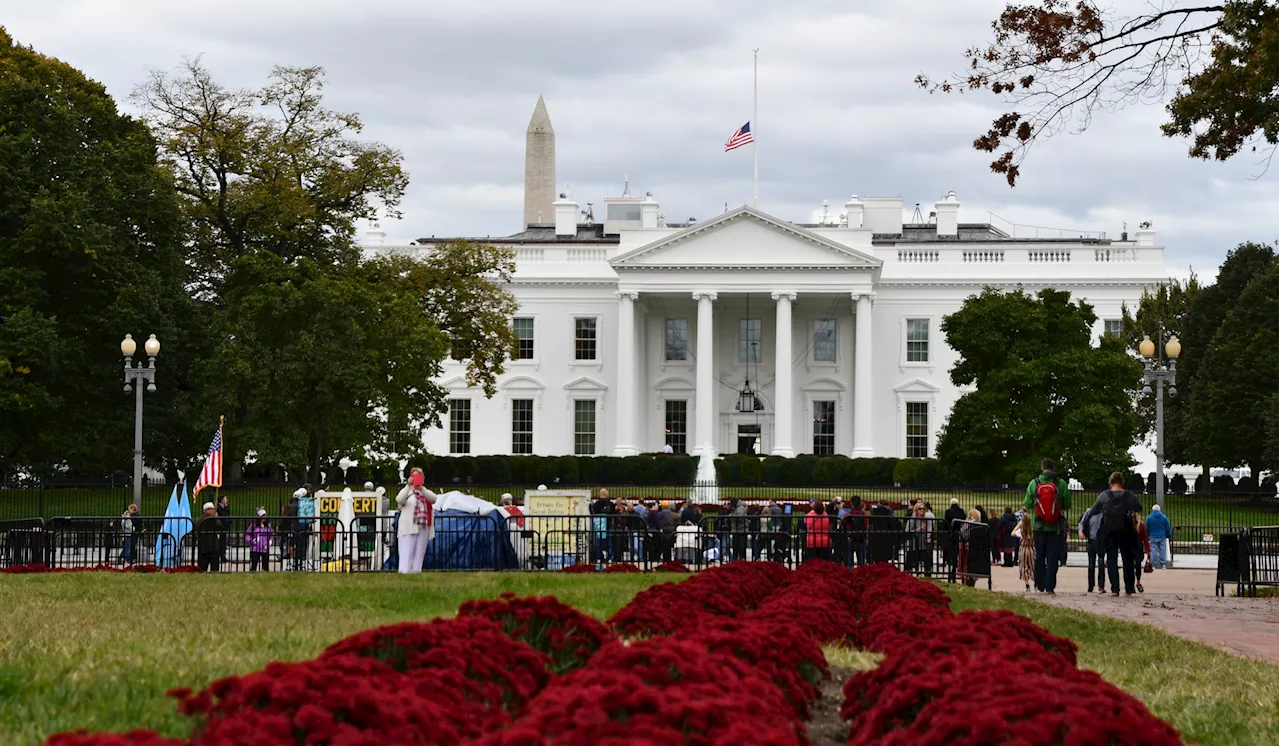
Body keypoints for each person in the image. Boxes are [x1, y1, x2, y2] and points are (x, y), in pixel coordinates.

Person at [1079, 471, 1143, 596]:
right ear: (1122, 482)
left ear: (1111, 482)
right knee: (1127, 559)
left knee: (1111, 559)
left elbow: (1094, 510)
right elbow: (1139, 507)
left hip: (1109, 530)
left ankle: (1115, 589)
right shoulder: (1129, 495)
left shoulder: (1104, 496)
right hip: (1126, 530)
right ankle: (1129, 587)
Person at [1023, 458, 1072, 595]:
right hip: (1056, 527)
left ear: (1042, 468)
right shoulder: (1060, 483)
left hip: (1038, 525)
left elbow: (1027, 504)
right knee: (1053, 557)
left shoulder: (1034, 483)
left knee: (1039, 556)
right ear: (1054, 468)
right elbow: (1067, 504)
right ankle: (1050, 586)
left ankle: (1040, 584)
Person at [396, 467, 437, 574]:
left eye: (419, 476)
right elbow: (399, 499)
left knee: (419, 553)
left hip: (423, 527)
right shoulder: (407, 491)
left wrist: (421, 488)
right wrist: (408, 485)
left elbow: (433, 499)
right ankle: (404, 572)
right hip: (408, 527)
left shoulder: (425, 491)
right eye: (414, 476)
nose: (417, 479)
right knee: (406, 552)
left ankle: (416, 572)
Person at [1078, 507, 1106, 594]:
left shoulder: (1105, 512)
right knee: (1091, 564)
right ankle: (1091, 585)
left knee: (1101, 563)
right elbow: (1082, 523)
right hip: (1091, 540)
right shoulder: (1089, 512)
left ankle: (1101, 586)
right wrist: (1081, 531)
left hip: (1101, 541)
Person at [195, 501, 222, 572]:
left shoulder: (201, 519)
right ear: (207, 510)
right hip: (209, 546)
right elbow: (219, 527)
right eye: (212, 509)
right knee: (211, 567)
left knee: (204, 567)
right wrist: (216, 518)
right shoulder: (209, 519)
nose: (214, 510)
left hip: (207, 546)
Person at [1146, 504, 1172, 569]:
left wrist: (1147, 535)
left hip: (1153, 536)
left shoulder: (1149, 518)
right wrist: (1168, 535)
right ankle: (1163, 564)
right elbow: (1167, 527)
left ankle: (1154, 565)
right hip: (1162, 536)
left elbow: (1147, 528)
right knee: (1162, 550)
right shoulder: (1164, 517)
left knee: (1153, 550)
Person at [1132, 506, 1151, 594]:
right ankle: (1135, 582)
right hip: (1135, 547)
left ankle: (1137, 582)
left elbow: (1145, 538)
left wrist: (1148, 550)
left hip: (1136, 547)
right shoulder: (1139, 525)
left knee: (1136, 566)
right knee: (1134, 566)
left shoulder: (1141, 525)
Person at [1016, 512, 1035, 592]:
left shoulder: (1021, 531)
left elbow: (1013, 533)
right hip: (1031, 549)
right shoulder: (1032, 531)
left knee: (1024, 567)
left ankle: (1027, 585)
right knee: (1032, 566)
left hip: (1023, 549)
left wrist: (1019, 525)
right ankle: (1036, 583)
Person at [216, 495, 231, 563]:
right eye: (225, 499)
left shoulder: (226, 507)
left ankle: (223, 555)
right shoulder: (217, 508)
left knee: (223, 542)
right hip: (220, 528)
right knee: (220, 543)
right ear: (222, 500)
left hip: (225, 527)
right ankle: (221, 556)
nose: (226, 500)